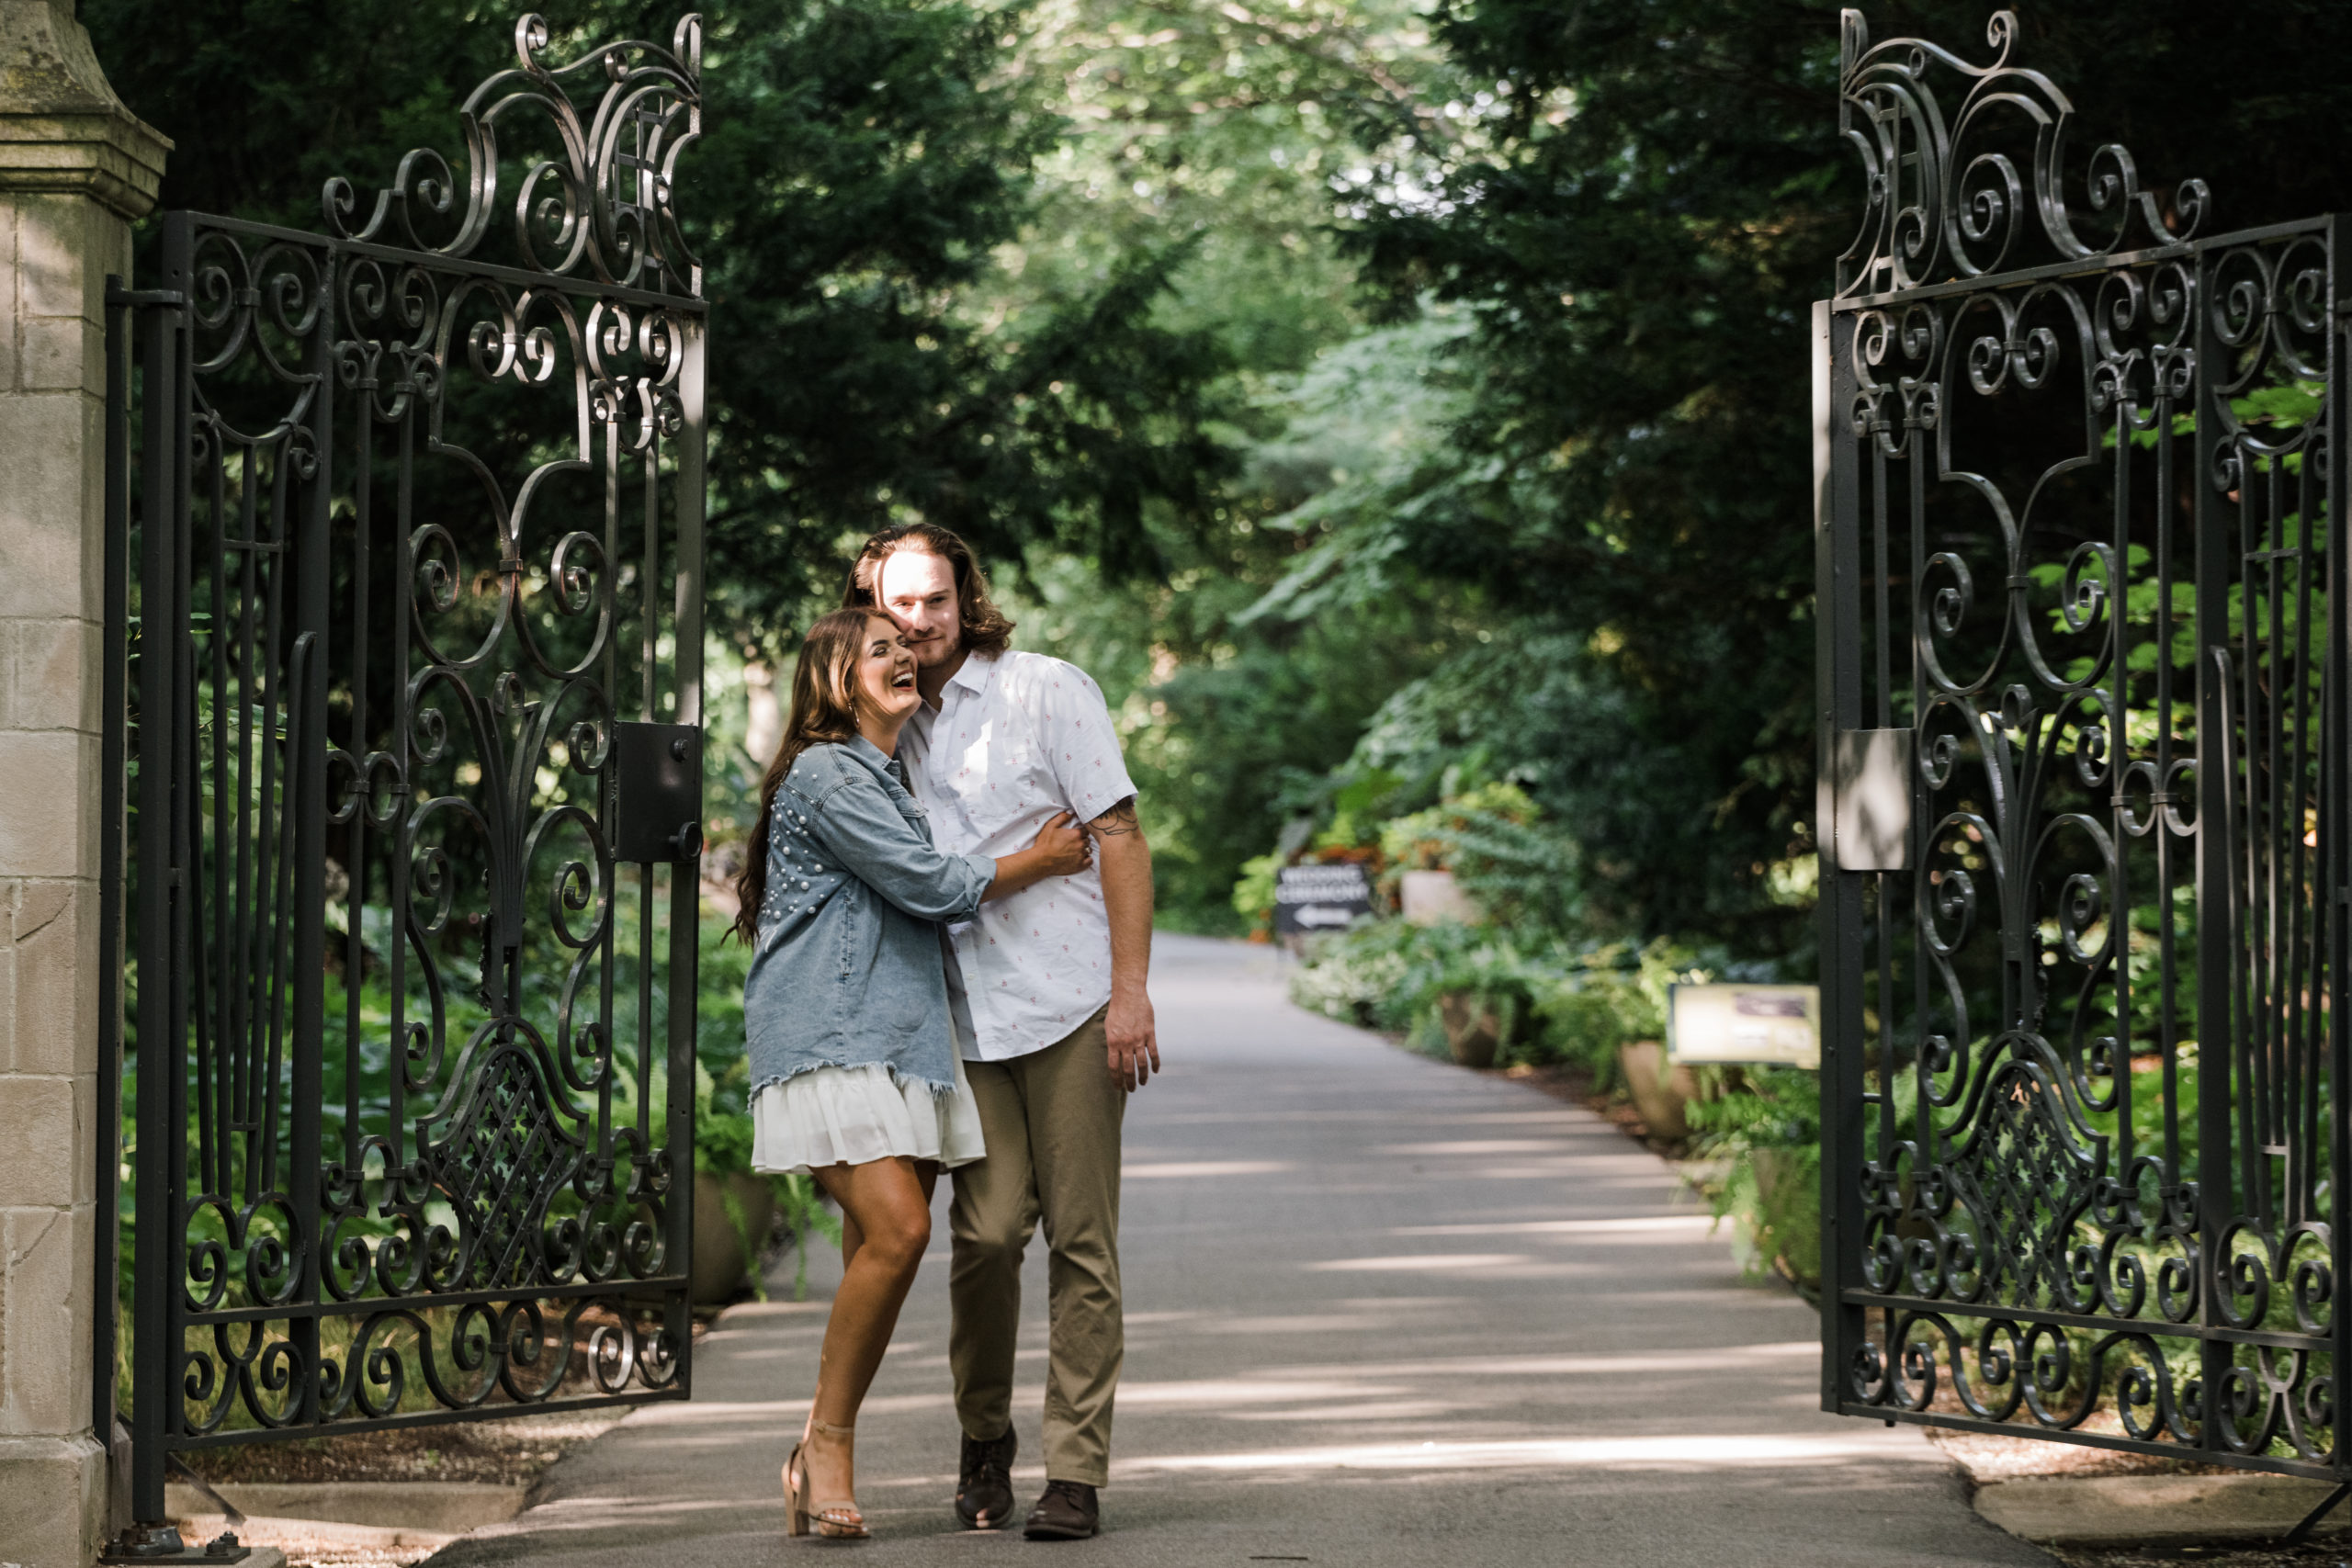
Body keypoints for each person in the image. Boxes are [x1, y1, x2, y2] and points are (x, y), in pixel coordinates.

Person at [731, 606, 1094, 1540]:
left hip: (899, 1042)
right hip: (830, 1035)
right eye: (878, 650)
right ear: (833, 681)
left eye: (906, 649)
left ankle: (815, 1456)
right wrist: (1041, 858)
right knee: (898, 1231)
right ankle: (827, 1444)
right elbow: (930, 886)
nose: (901, 658)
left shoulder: (887, 774)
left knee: (874, 1252)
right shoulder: (825, 772)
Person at [843, 524, 1159, 1542]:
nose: (920, 622)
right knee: (981, 1239)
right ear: (871, 603)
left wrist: (1131, 993)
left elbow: (1117, 835)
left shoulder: (1045, 690)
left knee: (1082, 1239)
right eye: (901, 605)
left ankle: (1076, 1470)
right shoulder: (875, 719)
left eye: (936, 600)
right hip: (959, 1020)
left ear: (962, 596)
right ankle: (985, 1441)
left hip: (1067, 1005)